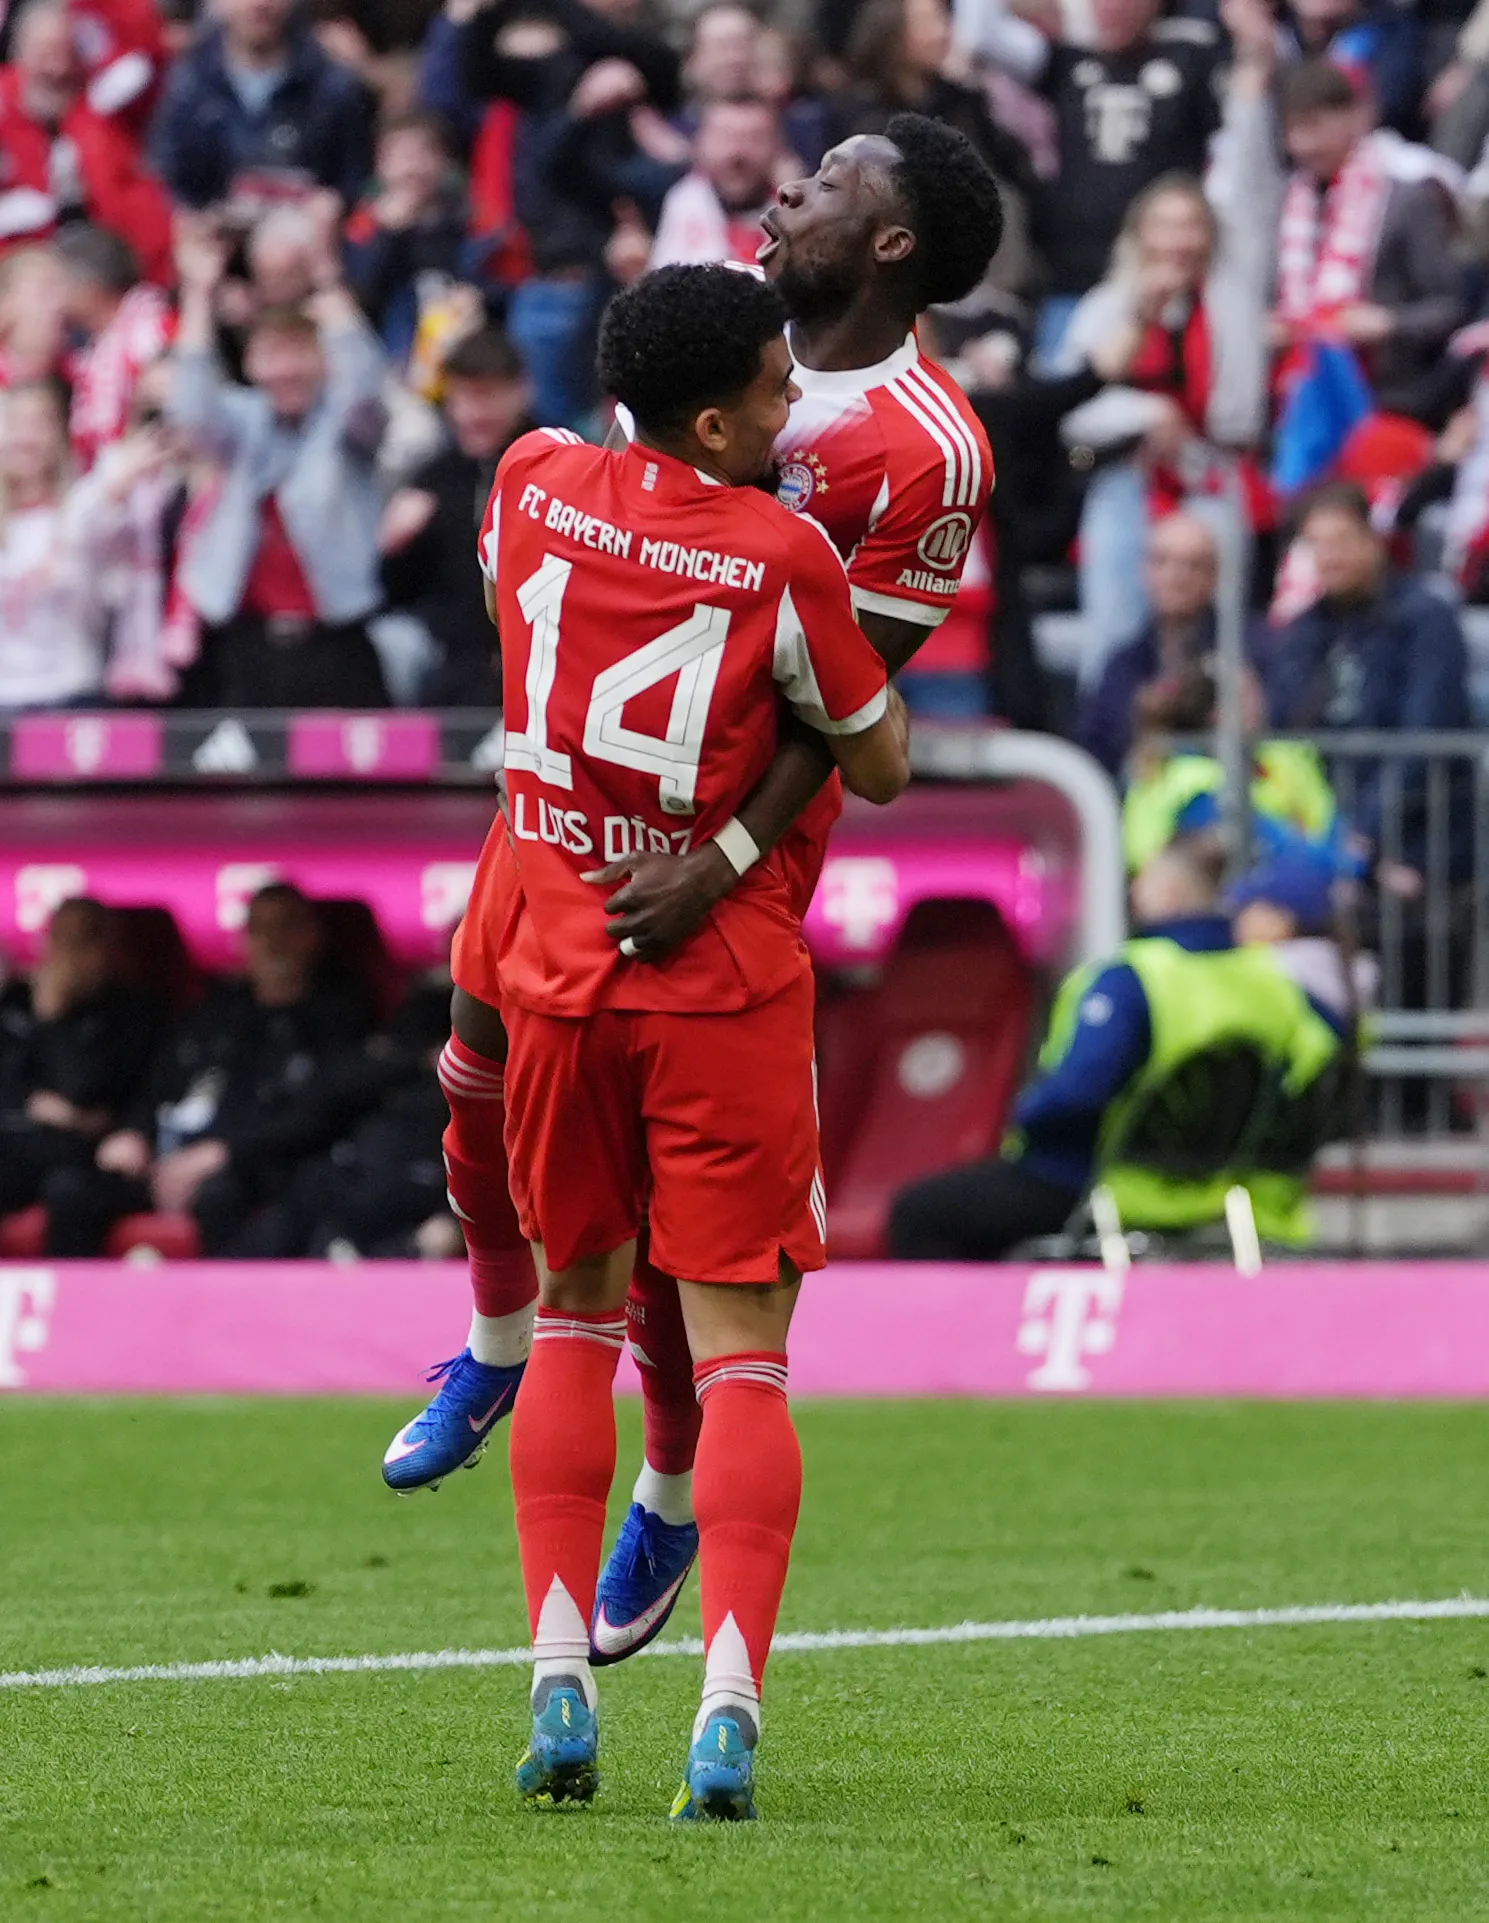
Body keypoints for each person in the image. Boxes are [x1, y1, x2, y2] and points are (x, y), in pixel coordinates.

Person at [384, 113, 1001, 1665]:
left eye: (833, 181)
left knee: (677, 1225)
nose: (787, 190)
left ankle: (666, 1481)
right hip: (575, 797)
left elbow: (849, 699)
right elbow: (624, 507)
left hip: (730, 854)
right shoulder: (724, 307)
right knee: (472, 1048)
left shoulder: (926, 447)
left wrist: (718, 854)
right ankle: (491, 1333)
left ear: (892, 244)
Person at [487, 263, 908, 1818]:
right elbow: (882, 756)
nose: (798, 413)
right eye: (780, 393)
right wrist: (725, 841)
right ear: (719, 418)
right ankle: (726, 1703)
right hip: (714, 980)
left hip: (552, 967)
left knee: (575, 1315)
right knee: (743, 1360)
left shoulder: (530, 480)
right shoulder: (780, 548)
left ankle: (554, 1681)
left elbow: (518, 635)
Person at [887, 838, 1345, 1258]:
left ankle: (977, 1341)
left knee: (920, 1213)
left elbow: (1078, 1092)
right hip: (1229, 1193)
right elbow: (1316, 1077)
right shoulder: (1277, 986)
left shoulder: (1133, 981)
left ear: (1168, 894)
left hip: (1104, 1186)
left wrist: (1025, 1116)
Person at [47, 884, 369, 1257]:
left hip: (247, 1166)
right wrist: (134, 1132)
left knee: (221, 1199)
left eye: (286, 927)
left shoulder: (337, 1017)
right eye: (259, 929)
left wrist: (222, 1152)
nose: (272, 942)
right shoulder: (214, 1010)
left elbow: (316, 1113)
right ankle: (78, 1310)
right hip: (163, 1159)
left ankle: (226, 1313)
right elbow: (159, 1081)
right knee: (71, 1192)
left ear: (312, 936)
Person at [167, 212, 393, 710]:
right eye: (271, 354)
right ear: (250, 364)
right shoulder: (242, 421)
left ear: (322, 360)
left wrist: (325, 278)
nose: (285, 369)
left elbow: (364, 390)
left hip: (336, 640)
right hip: (246, 644)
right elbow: (189, 412)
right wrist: (199, 293)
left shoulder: (345, 425)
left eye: (298, 353)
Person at [953, 0, 1225, 348]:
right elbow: (982, 36)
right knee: (1062, 383)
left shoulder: (1192, 60)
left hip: (1161, 280)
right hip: (1071, 278)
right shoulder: (1065, 62)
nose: (1111, 8)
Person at [1268, 480, 1471, 891]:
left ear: (1372, 540)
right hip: (1323, 835)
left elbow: (1425, 737)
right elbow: (1287, 729)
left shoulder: (1424, 619)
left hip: (1423, 838)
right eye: (1315, 545)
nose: (1329, 557)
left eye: (1341, 540)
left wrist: (1363, 834)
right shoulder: (1306, 631)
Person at [1275, 61, 1464, 423]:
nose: (1303, 144)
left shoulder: (1407, 200)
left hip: (1387, 399)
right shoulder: (1287, 202)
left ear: (1356, 119)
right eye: (1293, 130)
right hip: (1298, 396)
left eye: (1314, 127)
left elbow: (1450, 305)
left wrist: (1388, 323)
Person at [380, 326, 533, 703]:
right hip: (453, 669)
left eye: (487, 397)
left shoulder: (559, 466)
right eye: (461, 398)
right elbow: (395, 594)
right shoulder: (434, 479)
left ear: (521, 392)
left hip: (538, 664)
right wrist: (394, 547)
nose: (472, 414)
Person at [0, 379, 168, 710]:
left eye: (38, 423)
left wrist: (116, 487)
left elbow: (102, 519)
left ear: (59, 435)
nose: (24, 437)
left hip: (70, 695)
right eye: (13, 424)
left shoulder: (83, 505)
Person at [0, 899, 163, 1228]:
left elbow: (83, 1089)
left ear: (110, 947)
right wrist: (33, 1104)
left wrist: (52, 1018)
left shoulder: (134, 1013)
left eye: (85, 940)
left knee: (69, 1191)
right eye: (61, 938)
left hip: (88, 1158)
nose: (71, 954)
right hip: (19, 1147)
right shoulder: (17, 1001)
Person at [1077, 511, 1260, 777]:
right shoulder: (1122, 663)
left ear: (1215, 575)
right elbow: (1094, 748)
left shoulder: (1249, 650)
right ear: (1144, 570)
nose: (1176, 577)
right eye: (1161, 561)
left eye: (1192, 565)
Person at [0, 0, 171, 280]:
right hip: (19, 267)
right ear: (20, 56)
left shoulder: (102, 114)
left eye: (67, 53)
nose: (57, 68)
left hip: (98, 267)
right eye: (46, 53)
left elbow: (146, 35)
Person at [150, 0, 375, 211]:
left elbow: (356, 180)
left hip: (303, 238)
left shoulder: (331, 87)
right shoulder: (188, 85)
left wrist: (334, 205)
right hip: (210, 235)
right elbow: (166, 178)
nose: (259, 4)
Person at [54, 224, 171, 471]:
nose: (53, 300)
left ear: (88, 289)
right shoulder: (95, 344)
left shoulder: (154, 328)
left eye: (57, 285)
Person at [650, 95, 787, 270]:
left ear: (778, 146)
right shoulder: (674, 199)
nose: (737, 152)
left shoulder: (794, 213)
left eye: (754, 138)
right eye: (724, 137)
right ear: (699, 143)